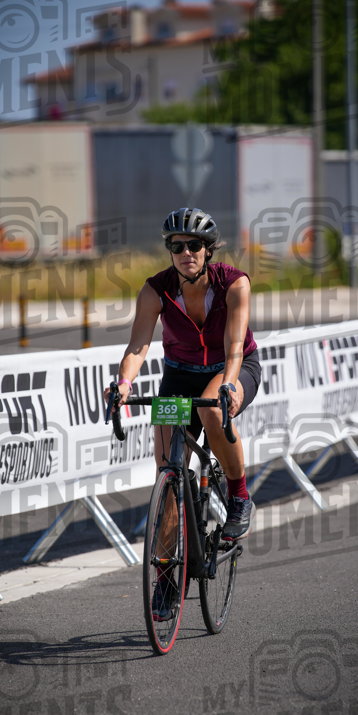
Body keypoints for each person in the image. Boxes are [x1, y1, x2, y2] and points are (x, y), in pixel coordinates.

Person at [105, 206, 261, 543]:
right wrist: (124, 384)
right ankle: (165, 569)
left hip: (231, 366)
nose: (186, 253)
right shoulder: (155, 290)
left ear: (208, 250)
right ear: (170, 251)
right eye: (177, 246)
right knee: (167, 472)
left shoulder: (234, 283)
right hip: (180, 374)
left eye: (194, 245)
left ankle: (239, 497)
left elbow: (235, 344)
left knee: (211, 410)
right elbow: (137, 346)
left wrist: (229, 385)